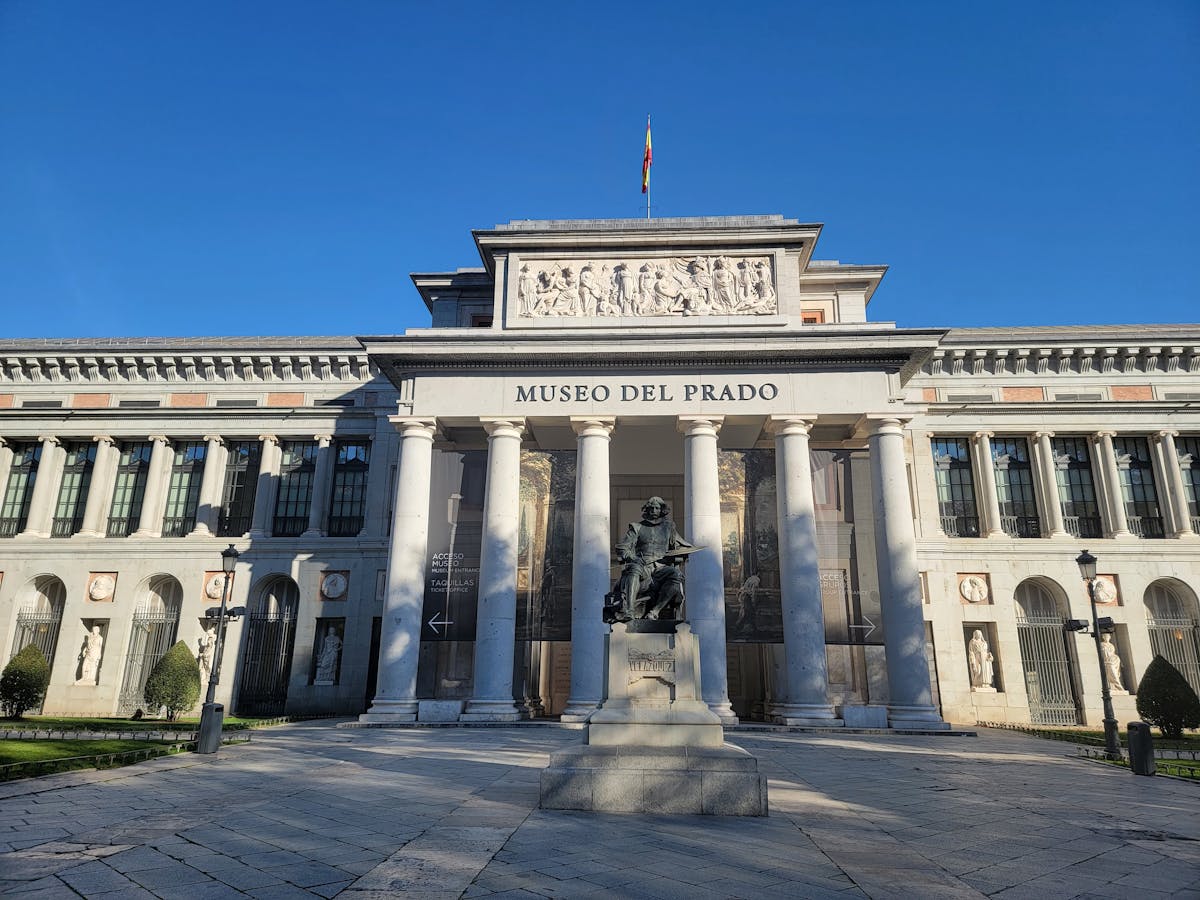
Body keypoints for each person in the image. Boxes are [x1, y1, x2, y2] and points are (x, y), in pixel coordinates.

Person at [605, 497, 696, 623]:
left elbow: (680, 545)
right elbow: (623, 548)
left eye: (657, 508)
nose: (654, 510)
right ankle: (629, 611)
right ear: (647, 510)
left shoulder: (669, 527)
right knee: (634, 569)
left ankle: (655, 611)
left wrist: (682, 552)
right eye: (651, 508)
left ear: (662, 510)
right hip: (642, 566)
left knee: (676, 574)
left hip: (662, 568)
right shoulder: (637, 527)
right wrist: (633, 558)